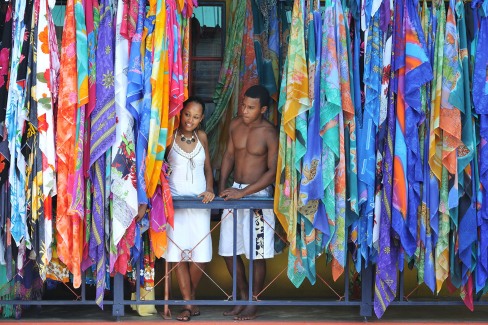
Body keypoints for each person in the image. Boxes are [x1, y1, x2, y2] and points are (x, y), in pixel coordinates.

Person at [218, 85, 278, 321]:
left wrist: (243, 194)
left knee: (256, 253)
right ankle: (242, 297)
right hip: (234, 192)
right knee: (228, 251)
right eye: (243, 105)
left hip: (259, 196)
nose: (244, 110)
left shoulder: (269, 132)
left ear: (262, 109)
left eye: (251, 107)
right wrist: (221, 187)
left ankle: (253, 302)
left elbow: (272, 172)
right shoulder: (234, 125)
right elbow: (229, 156)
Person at [164, 96, 215, 322]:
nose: (190, 120)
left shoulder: (202, 137)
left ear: (201, 118)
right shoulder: (170, 137)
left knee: (200, 255)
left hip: (200, 204)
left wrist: (211, 189)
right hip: (175, 204)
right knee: (178, 255)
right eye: (187, 114)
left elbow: (208, 169)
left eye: (195, 117)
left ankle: (189, 298)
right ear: (180, 112)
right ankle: (187, 305)